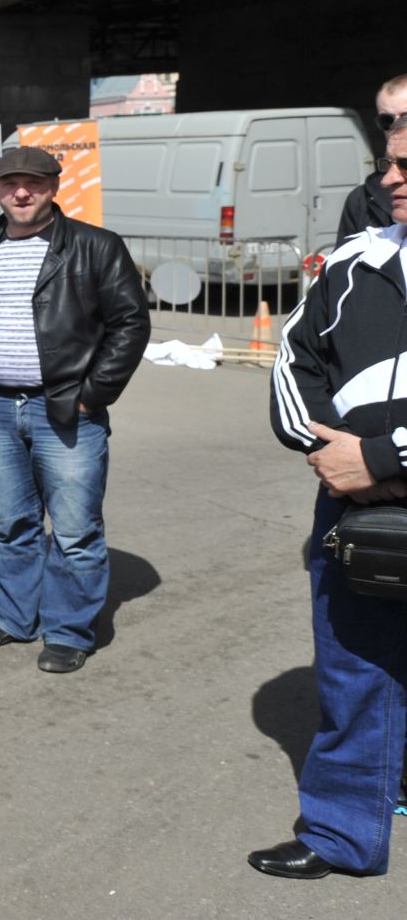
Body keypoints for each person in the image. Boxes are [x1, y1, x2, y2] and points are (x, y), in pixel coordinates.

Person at [254, 123, 407, 879]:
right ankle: (345, 832)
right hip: (355, 511)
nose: (392, 179)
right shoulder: (357, 257)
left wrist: (384, 455)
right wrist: (328, 453)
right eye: (390, 164)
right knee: (353, 669)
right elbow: (294, 359)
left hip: (371, 474)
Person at [0, 145, 149, 674]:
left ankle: (69, 629)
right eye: (10, 183)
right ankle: (14, 618)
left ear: (54, 186)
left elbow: (130, 323)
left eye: (33, 182)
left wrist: (91, 394)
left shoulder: (95, 247)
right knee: (10, 523)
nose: (21, 192)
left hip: (67, 410)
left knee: (75, 531)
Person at [337, 74, 407, 239]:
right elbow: (346, 261)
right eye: (386, 120)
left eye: (405, 117)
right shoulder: (361, 199)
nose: (395, 127)